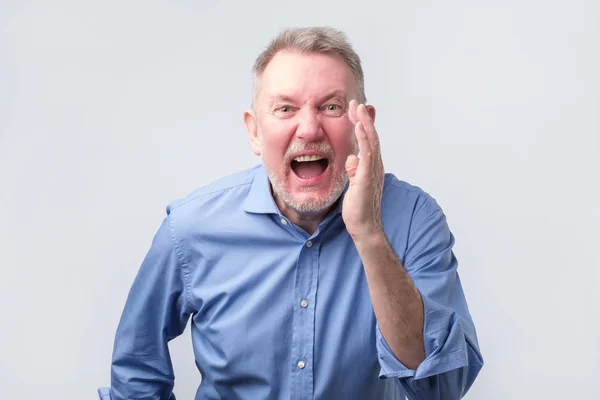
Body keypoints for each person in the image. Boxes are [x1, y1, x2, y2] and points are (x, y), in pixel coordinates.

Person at [98, 26, 483, 400]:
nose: (309, 128)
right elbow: (136, 371)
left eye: (331, 106)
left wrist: (368, 235)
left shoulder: (414, 219)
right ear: (254, 131)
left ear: (363, 125)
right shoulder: (190, 227)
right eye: (285, 108)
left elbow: (440, 388)